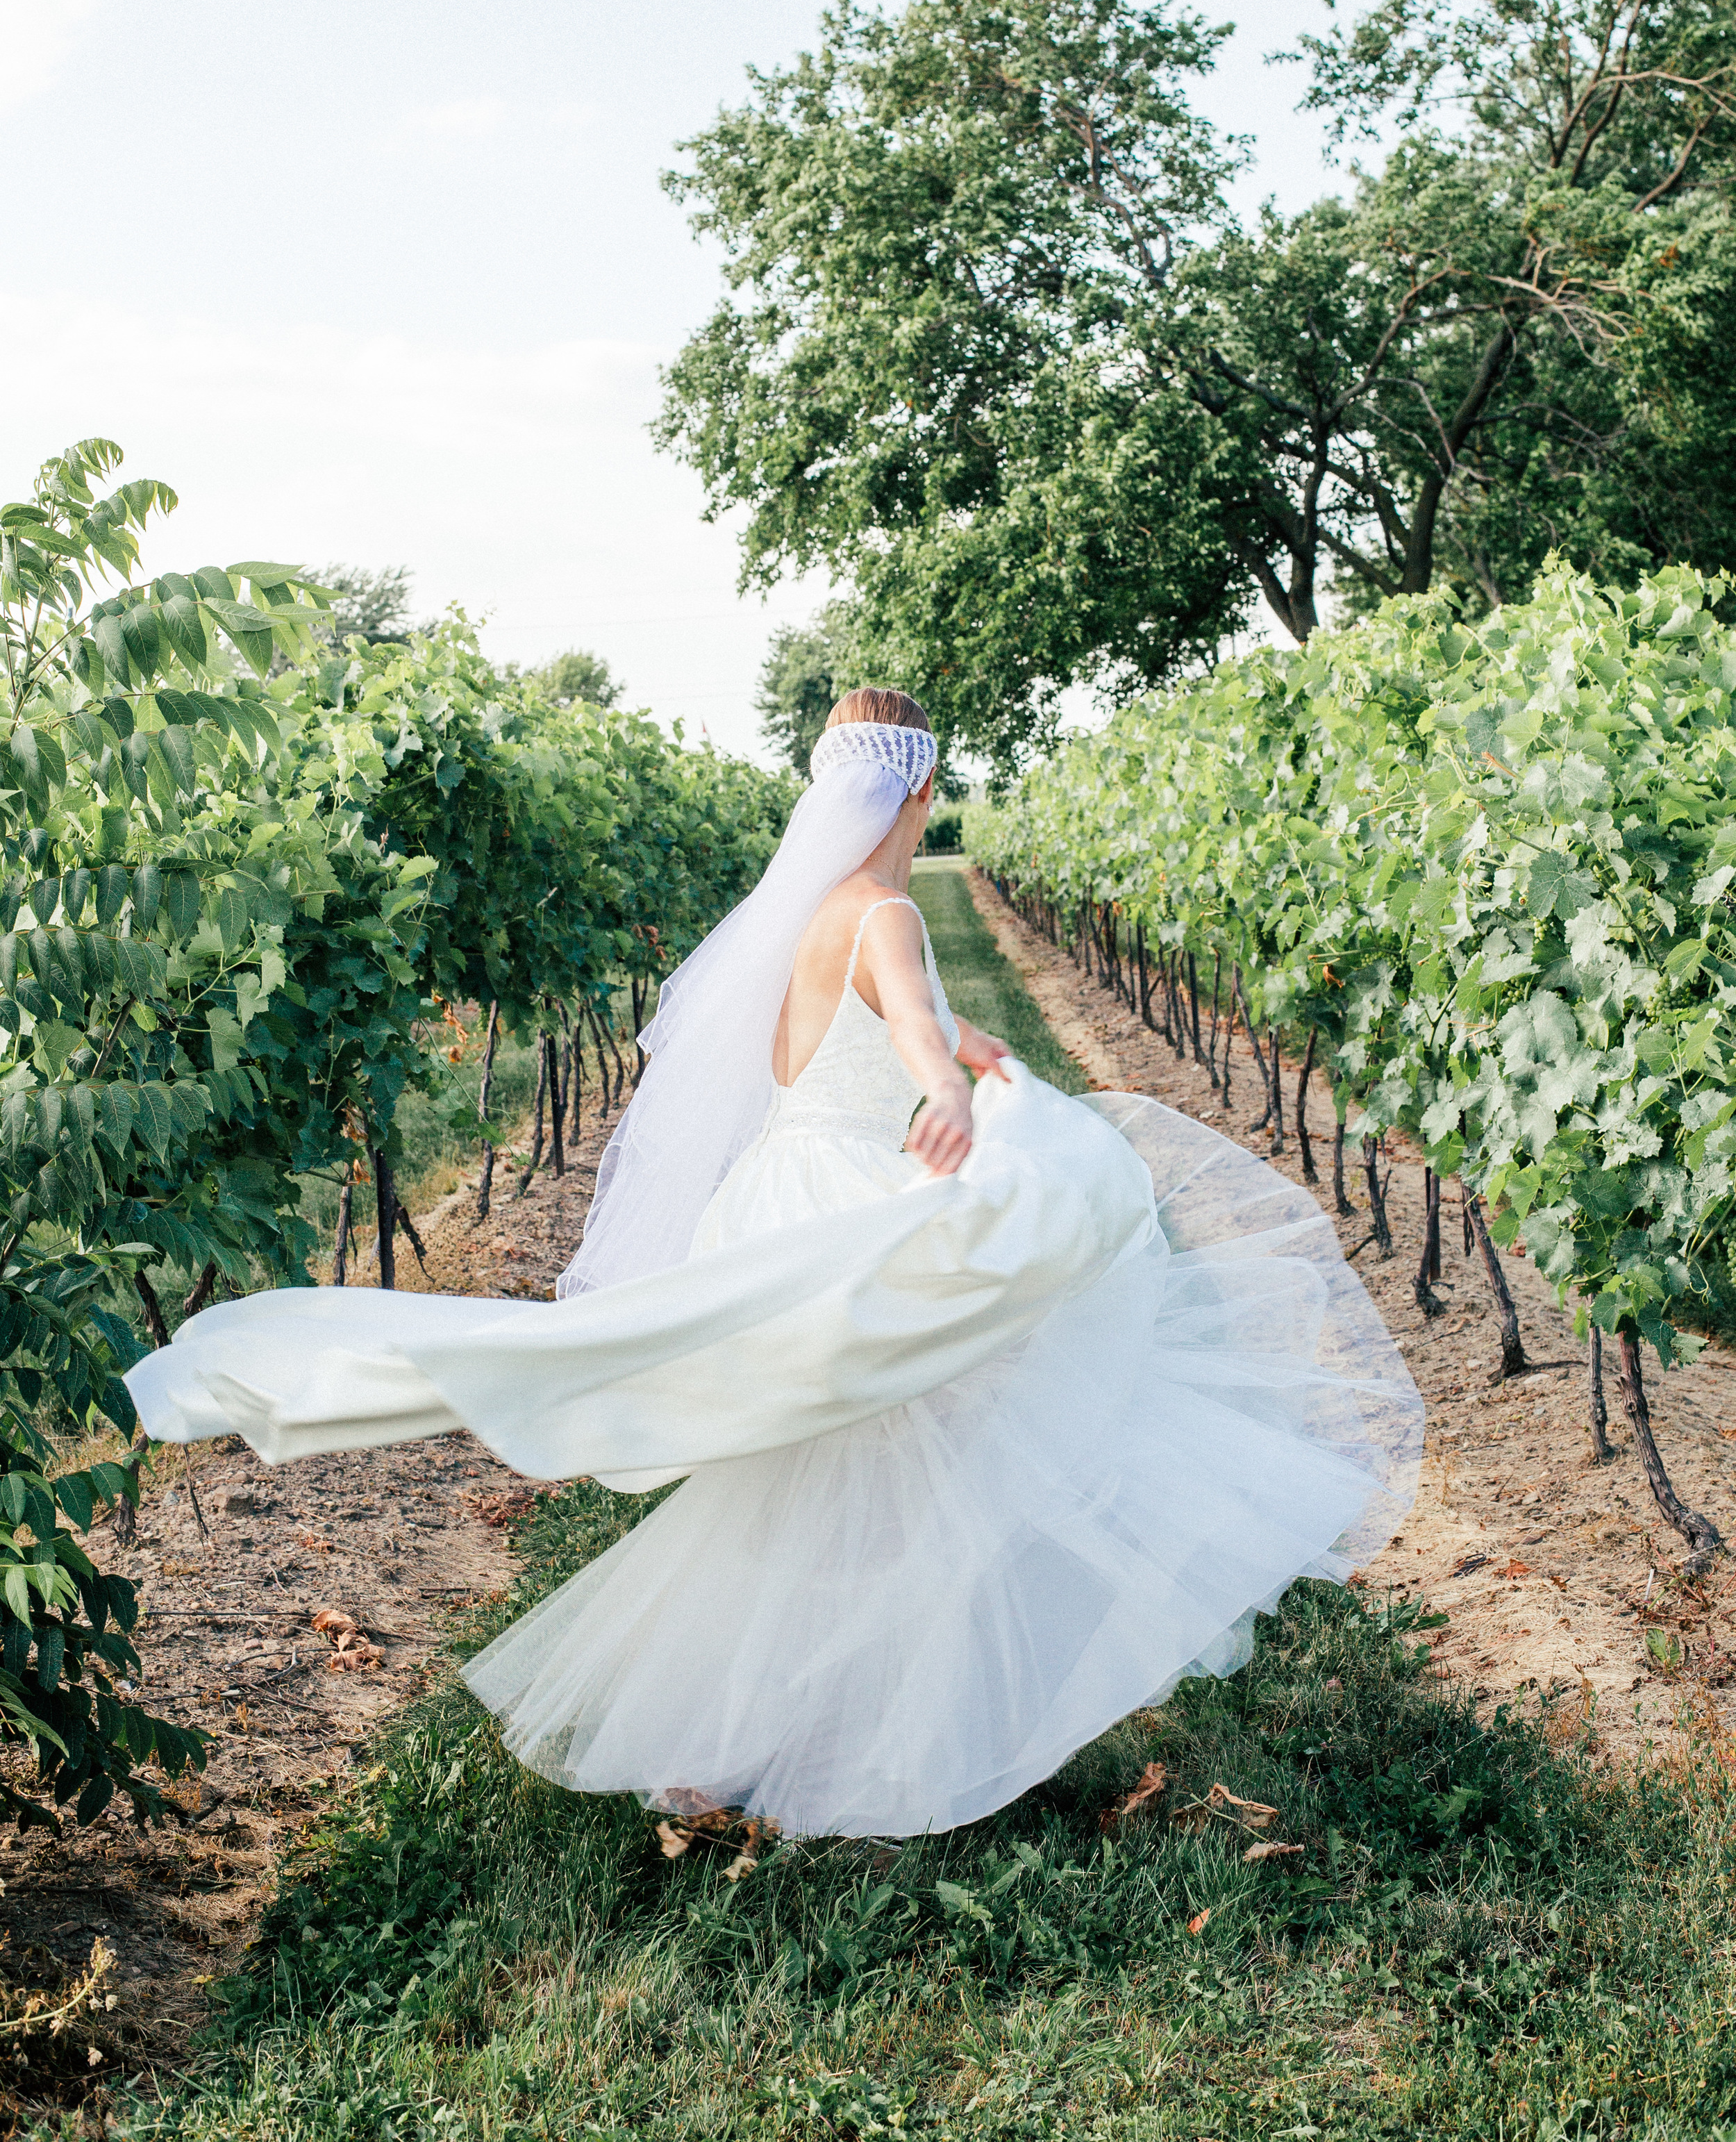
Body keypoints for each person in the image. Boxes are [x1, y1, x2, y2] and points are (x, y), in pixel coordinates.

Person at [129, 687, 1421, 1838]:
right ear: (922, 787)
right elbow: (913, 1023)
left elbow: (923, 1026)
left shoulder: (805, 916)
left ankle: (736, 1740)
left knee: (812, 1477)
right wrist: (951, 1091)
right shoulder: (893, 912)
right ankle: (857, 1731)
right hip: (850, 1202)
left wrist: (973, 1060)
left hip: (776, 1197)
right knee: (936, 1444)